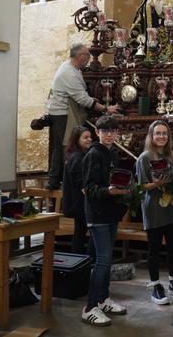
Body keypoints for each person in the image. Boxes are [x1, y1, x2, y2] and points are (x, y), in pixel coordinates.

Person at [46, 43, 119, 189]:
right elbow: (83, 99)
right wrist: (106, 109)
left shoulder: (73, 68)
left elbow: (81, 94)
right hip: (63, 113)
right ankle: (64, 182)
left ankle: (54, 181)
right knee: (67, 145)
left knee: (60, 147)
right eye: (87, 55)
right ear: (80, 56)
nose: (89, 58)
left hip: (62, 111)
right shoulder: (69, 73)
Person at [81, 115, 129, 327]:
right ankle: (90, 307)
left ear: (117, 133)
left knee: (108, 260)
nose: (109, 134)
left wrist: (123, 189)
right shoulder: (93, 154)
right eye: (105, 130)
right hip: (97, 213)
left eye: (112, 130)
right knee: (103, 259)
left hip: (111, 212)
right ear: (98, 133)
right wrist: (108, 191)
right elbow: (89, 189)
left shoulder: (113, 154)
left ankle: (103, 299)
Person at [135, 120, 173, 306]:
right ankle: (156, 286)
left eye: (165, 133)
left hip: (172, 207)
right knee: (154, 248)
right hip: (154, 208)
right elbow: (141, 185)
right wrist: (156, 184)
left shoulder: (172, 155)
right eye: (158, 133)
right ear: (151, 136)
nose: (162, 136)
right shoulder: (145, 157)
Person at [62, 126, 94, 255]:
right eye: (85, 137)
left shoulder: (79, 155)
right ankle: (87, 262)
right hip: (79, 203)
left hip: (78, 203)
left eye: (90, 137)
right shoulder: (78, 157)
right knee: (89, 233)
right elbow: (81, 183)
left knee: (80, 232)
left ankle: (78, 261)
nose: (89, 139)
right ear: (77, 140)